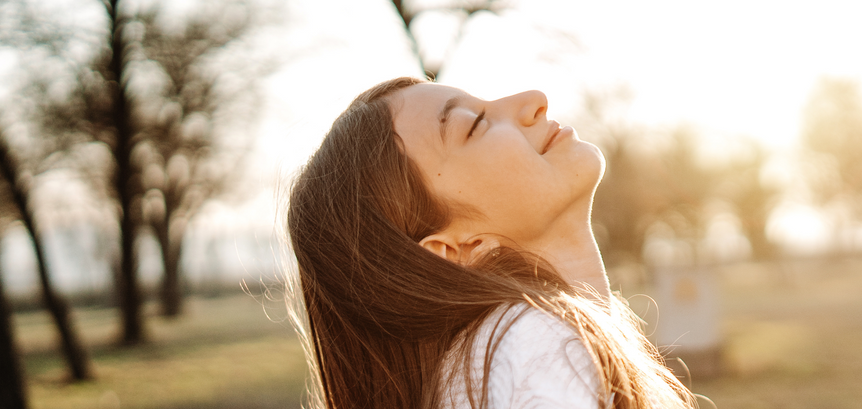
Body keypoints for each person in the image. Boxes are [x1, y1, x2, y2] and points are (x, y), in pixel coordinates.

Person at [286, 77, 695, 409]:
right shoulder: (530, 344)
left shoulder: (491, 364)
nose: (534, 99)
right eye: (475, 124)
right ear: (449, 252)